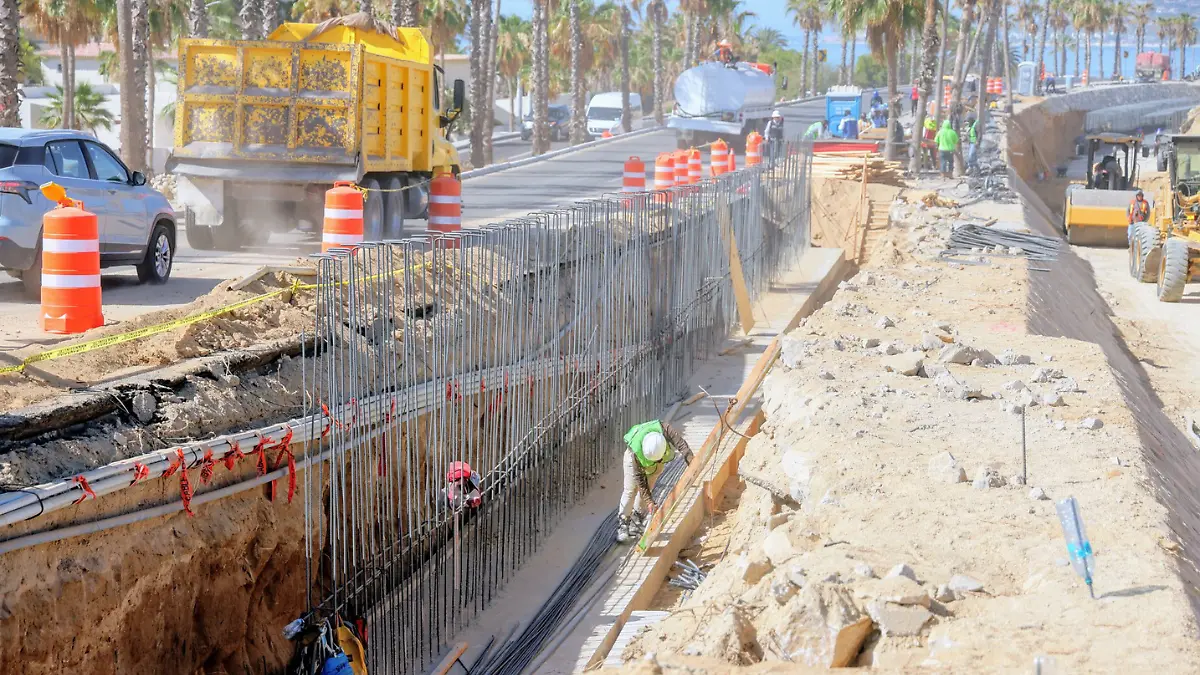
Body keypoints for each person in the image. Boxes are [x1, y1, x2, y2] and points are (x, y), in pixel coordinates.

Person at [617, 420, 693, 543]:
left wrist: (692, 463)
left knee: (650, 485)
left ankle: (637, 517)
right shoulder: (636, 453)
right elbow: (641, 481)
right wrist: (650, 502)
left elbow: (682, 446)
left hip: (655, 458)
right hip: (634, 459)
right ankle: (623, 523)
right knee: (630, 490)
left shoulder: (665, 430)